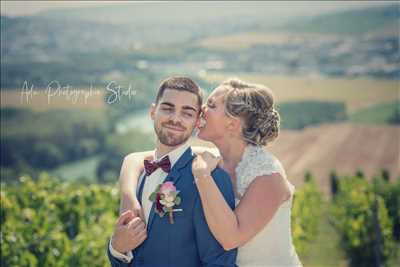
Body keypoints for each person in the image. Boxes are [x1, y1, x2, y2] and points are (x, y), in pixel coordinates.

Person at [120, 78, 302, 266]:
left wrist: (202, 175)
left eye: (212, 105)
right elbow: (134, 159)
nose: (202, 109)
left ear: (232, 124)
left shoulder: (268, 176)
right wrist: (128, 196)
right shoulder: (214, 157)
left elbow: (231, 238)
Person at [108, 76, 238, 267]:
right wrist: (117, 248)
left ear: (197, 122)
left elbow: (219, 263)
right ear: (153, 111)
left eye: (187, 113)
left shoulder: (212, 179)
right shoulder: (137, 175)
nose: (175, 119)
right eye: (168, 108)